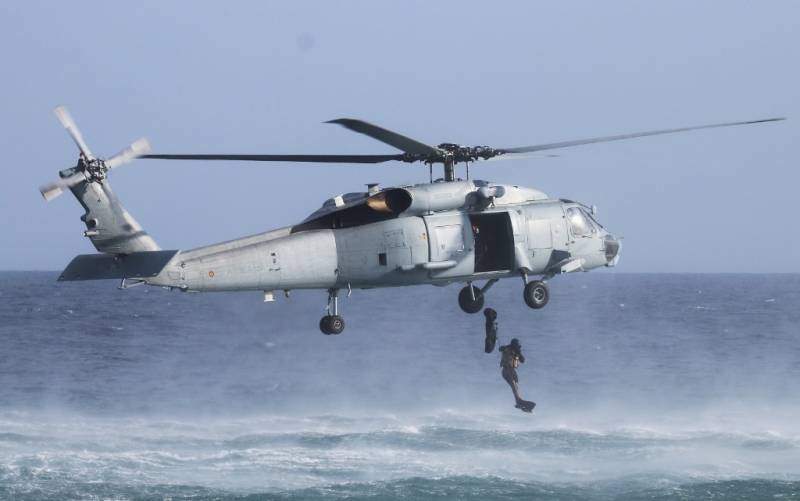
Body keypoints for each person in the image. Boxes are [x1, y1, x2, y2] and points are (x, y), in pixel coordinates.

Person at [499, 338, 536, 413]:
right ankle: (518, 400)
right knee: (513, 385)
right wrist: (510, 347)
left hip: (512, 370)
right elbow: (501, 348)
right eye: (516, 345)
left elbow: (522, 360)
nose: (518, 347)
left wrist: (518, 352)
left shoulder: (517, 351)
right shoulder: (507, 348)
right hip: (506, 369)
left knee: (516, 386)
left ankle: (519, 402)